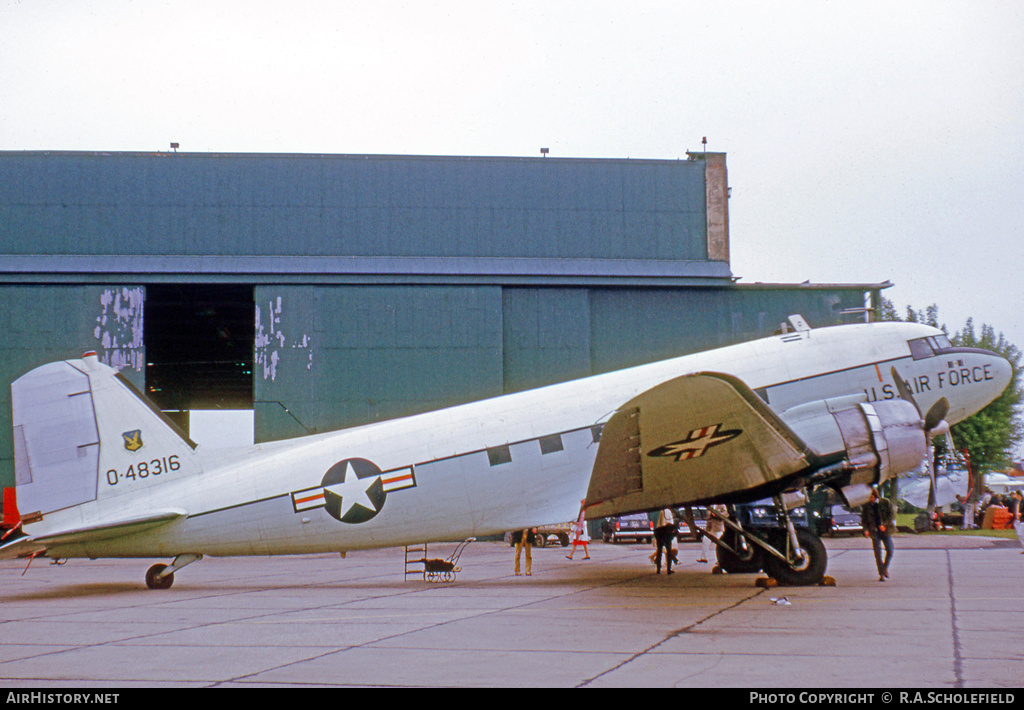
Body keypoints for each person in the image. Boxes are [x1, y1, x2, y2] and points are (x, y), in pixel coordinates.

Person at [862, 488, 894, 581]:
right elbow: (864, 520)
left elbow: (891, 515)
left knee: (890, 550)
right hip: (874, 531)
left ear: (875, 496)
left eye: (871, 497)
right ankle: (882, 574)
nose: (870, 499)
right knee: (877, 553)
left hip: (885, 530)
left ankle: (884, 568)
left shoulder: (885, 502)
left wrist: (885, 525)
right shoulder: (866, 506)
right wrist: (866, 529)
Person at [654, 508, 676, 575]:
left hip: (659, 534)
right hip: (666, 534)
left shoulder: (662, 511)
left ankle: (658, 569)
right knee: (668, 552)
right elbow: (669, 523)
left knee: (659, 552)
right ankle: (668, 570)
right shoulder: (668, 511)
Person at [1009, 490, 1024, 555]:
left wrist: (1021, 514)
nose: (1015, 496)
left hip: (1023, 519)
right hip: (1019, 519)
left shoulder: (1023, 502)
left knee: (1020, 533)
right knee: (1020, 534)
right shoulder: (1018, 502)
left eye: (1015, 494)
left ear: (1018, 495)